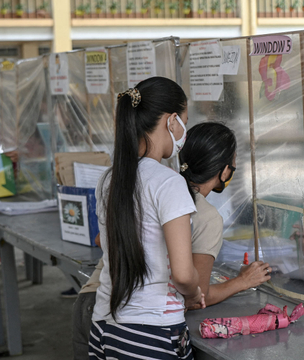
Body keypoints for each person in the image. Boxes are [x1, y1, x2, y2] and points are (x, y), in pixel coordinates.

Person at [89, 77, 205, 360]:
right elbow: (182, 273)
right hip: (152, 331)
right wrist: (192, 294)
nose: (183, 132)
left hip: (103, 327)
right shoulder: (169, 183)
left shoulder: (108, 179)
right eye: (184, 121)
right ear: (171, 120)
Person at [178, 123, 271, 308]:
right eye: (233, 161)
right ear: (225, 171)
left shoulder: (164, 191)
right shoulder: (206, 216)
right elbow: (198, 298)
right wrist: (243, 281)